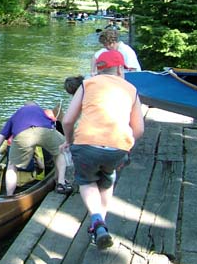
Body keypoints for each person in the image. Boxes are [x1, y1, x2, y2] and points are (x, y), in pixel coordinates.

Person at [61, 50, 144, 249]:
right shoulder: (131, 89)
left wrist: (69, 141)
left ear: (98, 69)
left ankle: (97, 220)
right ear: (121, 69)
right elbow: (139, 129)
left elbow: (68, 120)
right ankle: (100, 226)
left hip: (86, 143)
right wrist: (126, 146)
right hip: (117, 146)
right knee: (107, 179)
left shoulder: (88, 84)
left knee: (87, 181)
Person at [0, 102, 70, 196]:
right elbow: (54, 126)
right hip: (45, 131)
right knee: (60, 151)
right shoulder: (42, 112)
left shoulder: (15, 116)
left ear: (23, 107)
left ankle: (9, 195)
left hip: (23, 135)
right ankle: (60, 182)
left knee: (12, 165)